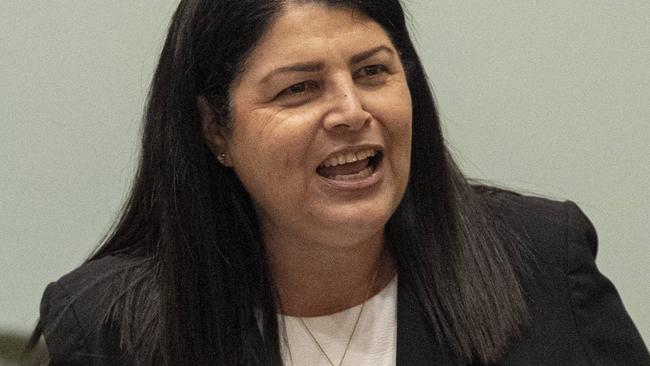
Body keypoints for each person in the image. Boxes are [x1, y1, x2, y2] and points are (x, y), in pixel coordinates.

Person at [30, 1, 649, 365]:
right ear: (216, 129)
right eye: (299, 88)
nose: (352, 112)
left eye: (373, 71)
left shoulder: (542, 260)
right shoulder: (106, 328)